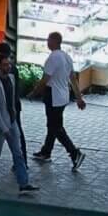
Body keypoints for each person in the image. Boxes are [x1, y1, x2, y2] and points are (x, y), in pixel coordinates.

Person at [0, 44, 37, 193]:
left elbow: (12, 99)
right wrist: (3, 127)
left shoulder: (11, 79)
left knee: (18, 152)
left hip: (11, 121)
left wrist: (14, 115)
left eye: (8, 64)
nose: (8, 67)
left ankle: (23, 183)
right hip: (1, 127)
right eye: (5, 65)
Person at [35, 32, 87, 169]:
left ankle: (74, 153)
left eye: (48, 40)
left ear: (54, 41)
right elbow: (73, 79)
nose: (47, 42)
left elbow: (45, 79)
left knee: (56, 128)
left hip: (53, 95)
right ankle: (46, 152)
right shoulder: (66, 57)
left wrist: (34, 92)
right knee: (52, 125)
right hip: (63, 96)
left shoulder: (53, 58)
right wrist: (79, 98)